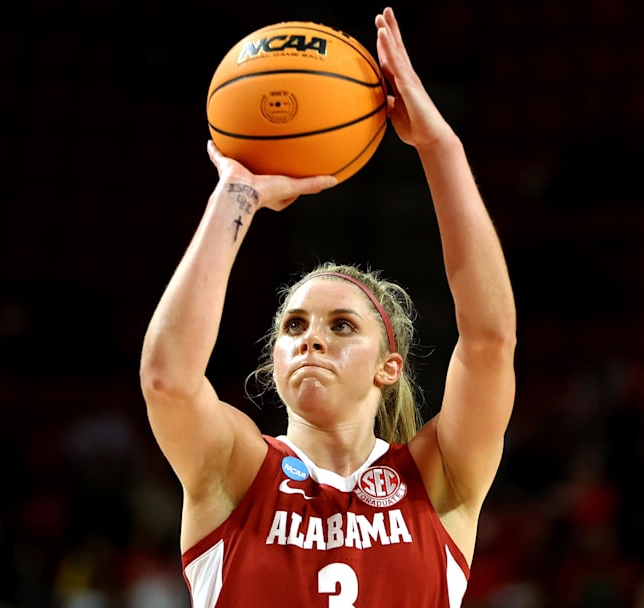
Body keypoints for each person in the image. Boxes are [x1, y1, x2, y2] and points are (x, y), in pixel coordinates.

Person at [139, 7, 516, 607]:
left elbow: (490, 341)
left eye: (342, 325)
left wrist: (439, 145)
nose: (312, 339)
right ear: (274, 359)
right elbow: (167, 380)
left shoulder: (439, 478)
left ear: (387, 366)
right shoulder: (234, 470)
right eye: (294, 326)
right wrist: (235, 193)